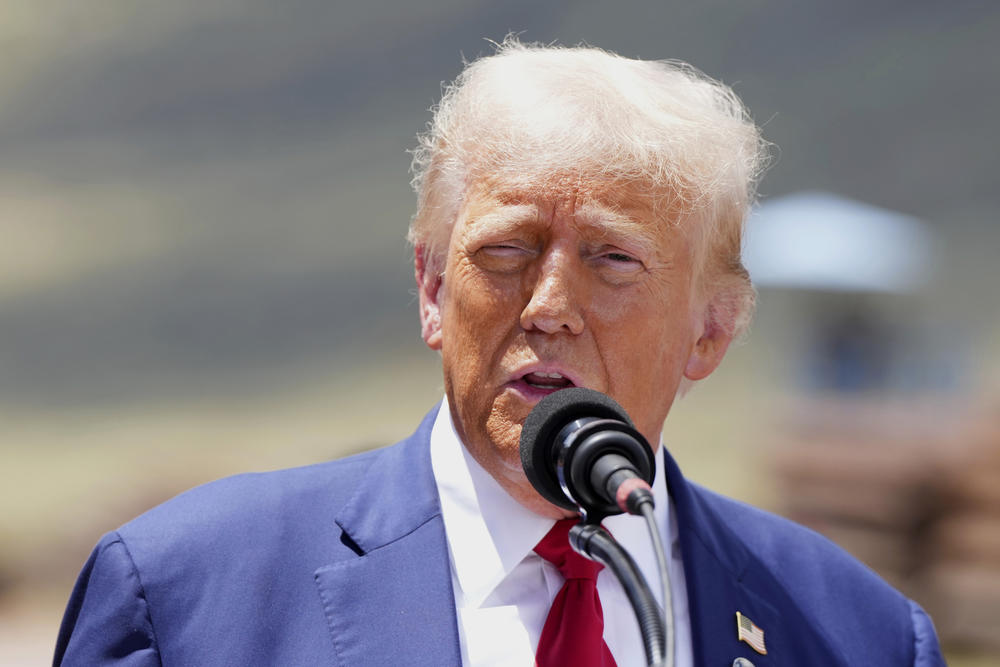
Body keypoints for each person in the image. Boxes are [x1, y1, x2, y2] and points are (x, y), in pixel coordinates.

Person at [54, 40, 944, 666]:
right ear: (433, 287)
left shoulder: (856, 633)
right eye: (505, 252)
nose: (550, 306)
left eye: (613, 259)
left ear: (712, 328)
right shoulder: (185, 593)